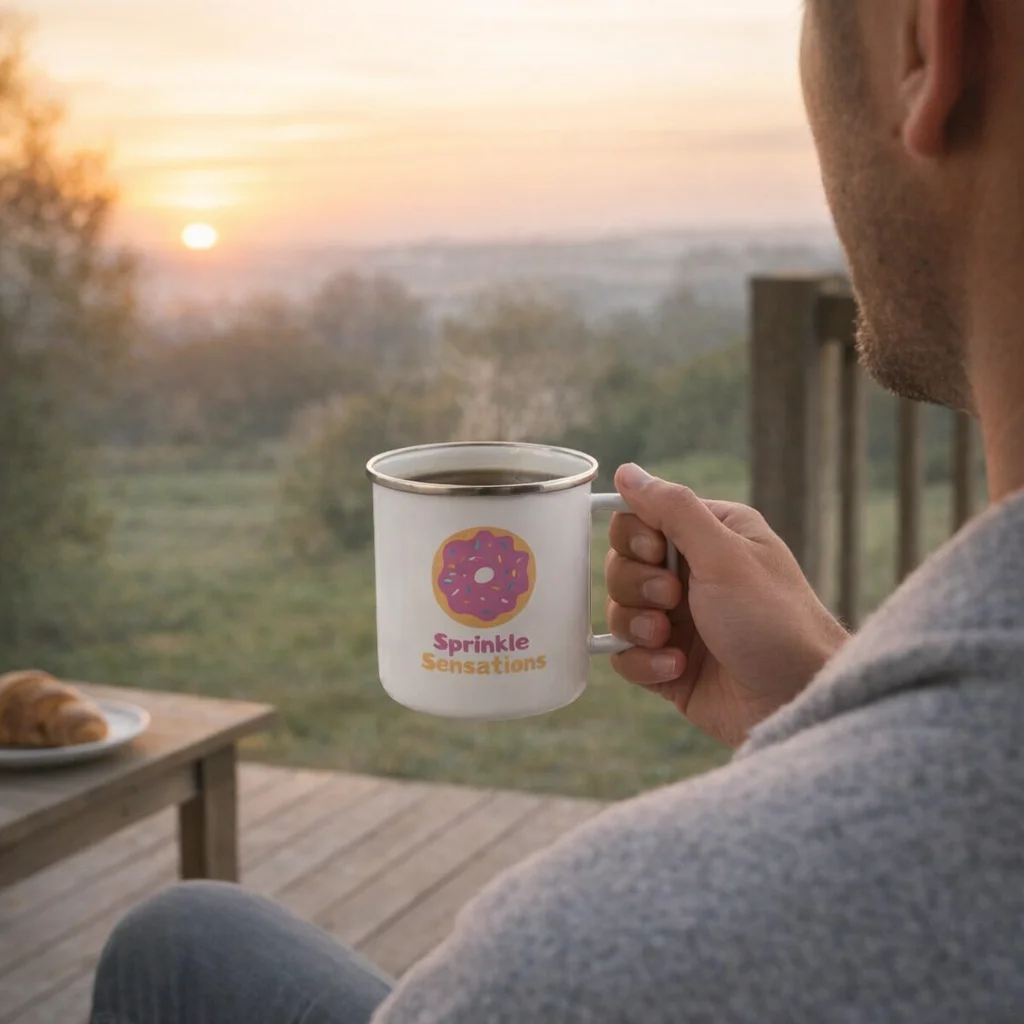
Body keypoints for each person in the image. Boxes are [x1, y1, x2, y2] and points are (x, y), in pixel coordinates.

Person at [92, 2, 1024, 1021]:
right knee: (186, 936)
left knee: (173, 949)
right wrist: (826, 705)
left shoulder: (575, 960)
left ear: (925, 43)